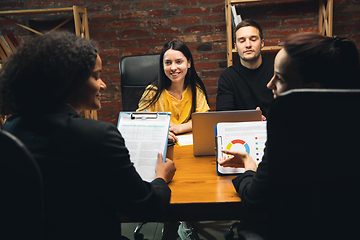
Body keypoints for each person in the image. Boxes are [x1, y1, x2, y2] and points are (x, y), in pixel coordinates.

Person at [0, 31, 176, 240]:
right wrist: (161, 178)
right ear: (68, 81)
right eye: (96, 76)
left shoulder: (11, 129)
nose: (103, 85)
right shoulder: (98, 136)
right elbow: (147, 207)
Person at [218, 32, 360, 237]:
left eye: (280, 78)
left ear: (312, 89)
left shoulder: (289, 131)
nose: (269, 84)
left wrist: (249, 167)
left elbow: (254, 200)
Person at [137, 39, 210, 142]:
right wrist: (160, 132)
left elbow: (203, 120)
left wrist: (178, 128)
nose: (173, 67)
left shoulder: (195, 89)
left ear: (188, 63)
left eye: (178, 62)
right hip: (162, 145)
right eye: (168, 63)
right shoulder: (152, 92)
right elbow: (139, 122)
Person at [216, 19, 274, 120]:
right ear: (236, 46)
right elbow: (223, 116)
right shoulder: (228, 77)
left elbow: (291, 106)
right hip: (242, 133)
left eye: (253, 39)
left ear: (262, 43)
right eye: (242, 41)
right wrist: (249, 119)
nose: (248, 45)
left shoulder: (276, 70)